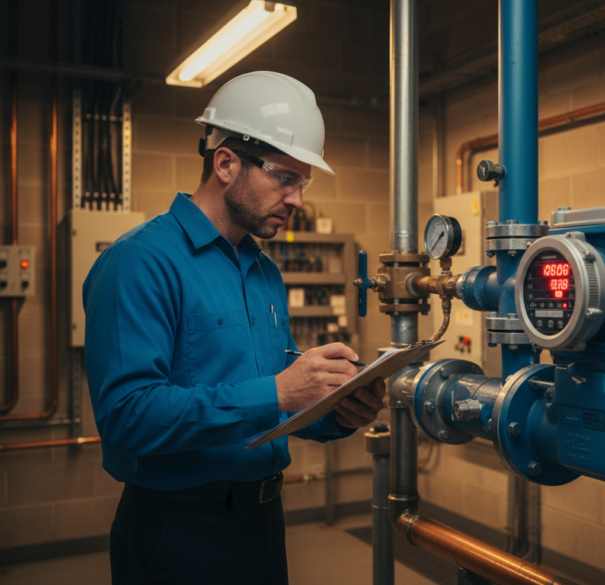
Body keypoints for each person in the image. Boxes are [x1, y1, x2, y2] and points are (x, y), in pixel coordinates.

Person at [83, 71, 385, 585]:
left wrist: (335, 409)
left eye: (303, 183)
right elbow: (125, 417)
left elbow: (276, 401)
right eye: (285, 177)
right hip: (178, 529)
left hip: (262, 518)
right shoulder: (140, 261)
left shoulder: (264, 271)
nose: (297, 200)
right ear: (225, 163)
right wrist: (279, 392)